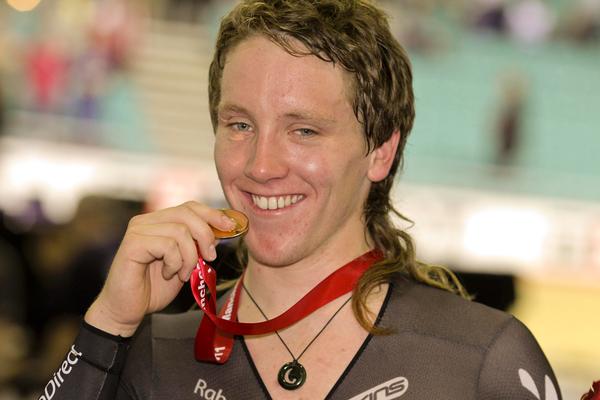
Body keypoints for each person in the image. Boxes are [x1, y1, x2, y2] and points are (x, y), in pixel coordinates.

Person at [41, 1, 562, 399]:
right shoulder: (154, 352)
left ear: (380, 152)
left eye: (305, 130)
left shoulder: (480, 362)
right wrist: (108, 324)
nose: (261, 166)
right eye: (240, 124)